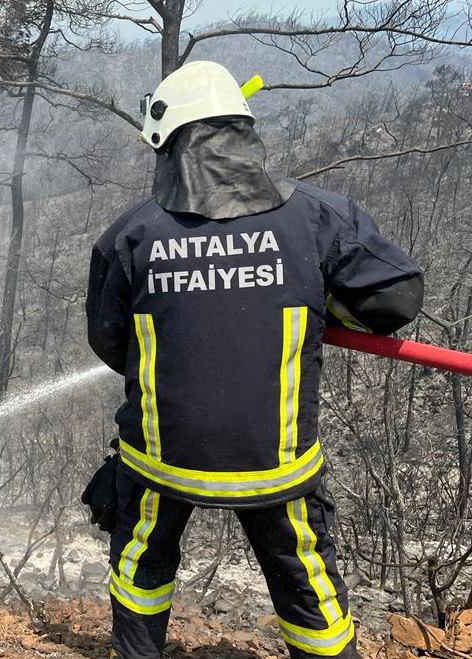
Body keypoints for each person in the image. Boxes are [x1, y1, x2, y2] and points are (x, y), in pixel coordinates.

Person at [84, 60, 424, 659]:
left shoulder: (131, 234)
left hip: (164, 461)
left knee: (142, 565)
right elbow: (394, 302)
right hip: (277, 465)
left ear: (174, 145)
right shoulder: (318, 217)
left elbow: (109, 342)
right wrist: (325, 304)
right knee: (306, 584)